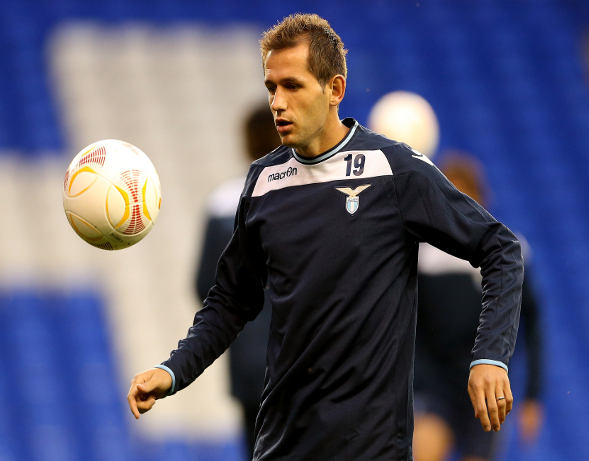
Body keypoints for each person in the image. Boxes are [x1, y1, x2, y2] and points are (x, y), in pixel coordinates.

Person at [127, 14, 524, 461]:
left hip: (370, 447)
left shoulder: (393, 171)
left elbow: (500, 249)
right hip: (282, 444)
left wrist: (490, 355)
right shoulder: (263, 182)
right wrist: (173, 371)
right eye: (271, 88)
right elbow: (230, 301)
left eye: (292, 86)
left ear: (334, 89)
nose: (277, 102)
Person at [412, 152, 543, 461]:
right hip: (436, 388)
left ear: (480, 200)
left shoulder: (507, 253)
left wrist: (532, 395)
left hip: (487, 388)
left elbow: (533, 323)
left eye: (465, 196)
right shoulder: (421, 256)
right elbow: (409, 325)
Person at [195, 105, 281, 459]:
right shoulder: (312, 196)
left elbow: (205, 285)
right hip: (306, 359)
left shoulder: (223, 204)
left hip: (250, 365)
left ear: (246, 143)